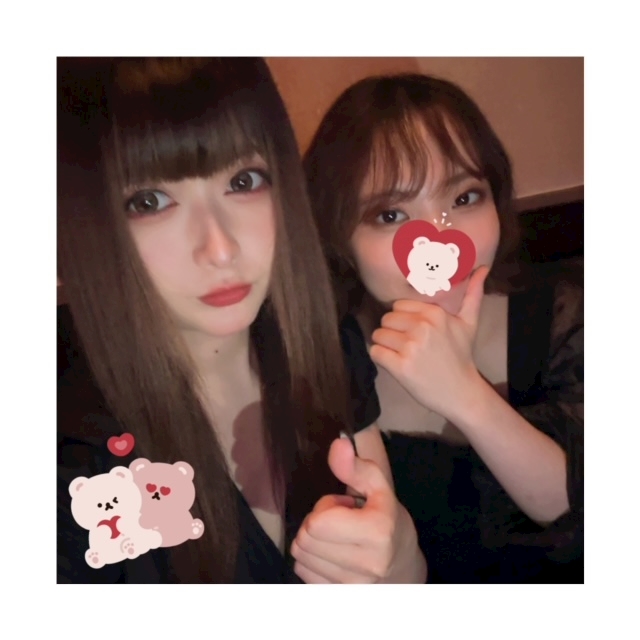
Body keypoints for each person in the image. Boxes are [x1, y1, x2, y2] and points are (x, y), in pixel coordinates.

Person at [57, 57, 426, 584]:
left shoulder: (328, 345)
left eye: (244, 180)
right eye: (149, 201)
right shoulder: (71, 458)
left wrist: (403, 558)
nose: (221, 248)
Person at [303, 73, 583, 583]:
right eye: (390, 214)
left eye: (464, 198)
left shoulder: (570, 314)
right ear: (338, 238)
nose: (437, 242)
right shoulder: (325, 362)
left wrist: (464, 394)